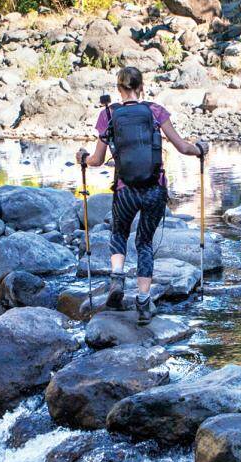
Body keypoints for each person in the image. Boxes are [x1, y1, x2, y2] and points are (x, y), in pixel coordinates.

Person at [78, 66, 207, 323]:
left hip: (125, 190)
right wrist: (201, 148)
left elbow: (97, 160)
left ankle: (117, 276)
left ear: (119, 89)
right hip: (154, 190)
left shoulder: (109, 114)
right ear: (142, 87)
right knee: (145, 244)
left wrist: (82, 157)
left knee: (119, 232)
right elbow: (182, 147)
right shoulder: (155, 111)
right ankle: (144, 303)